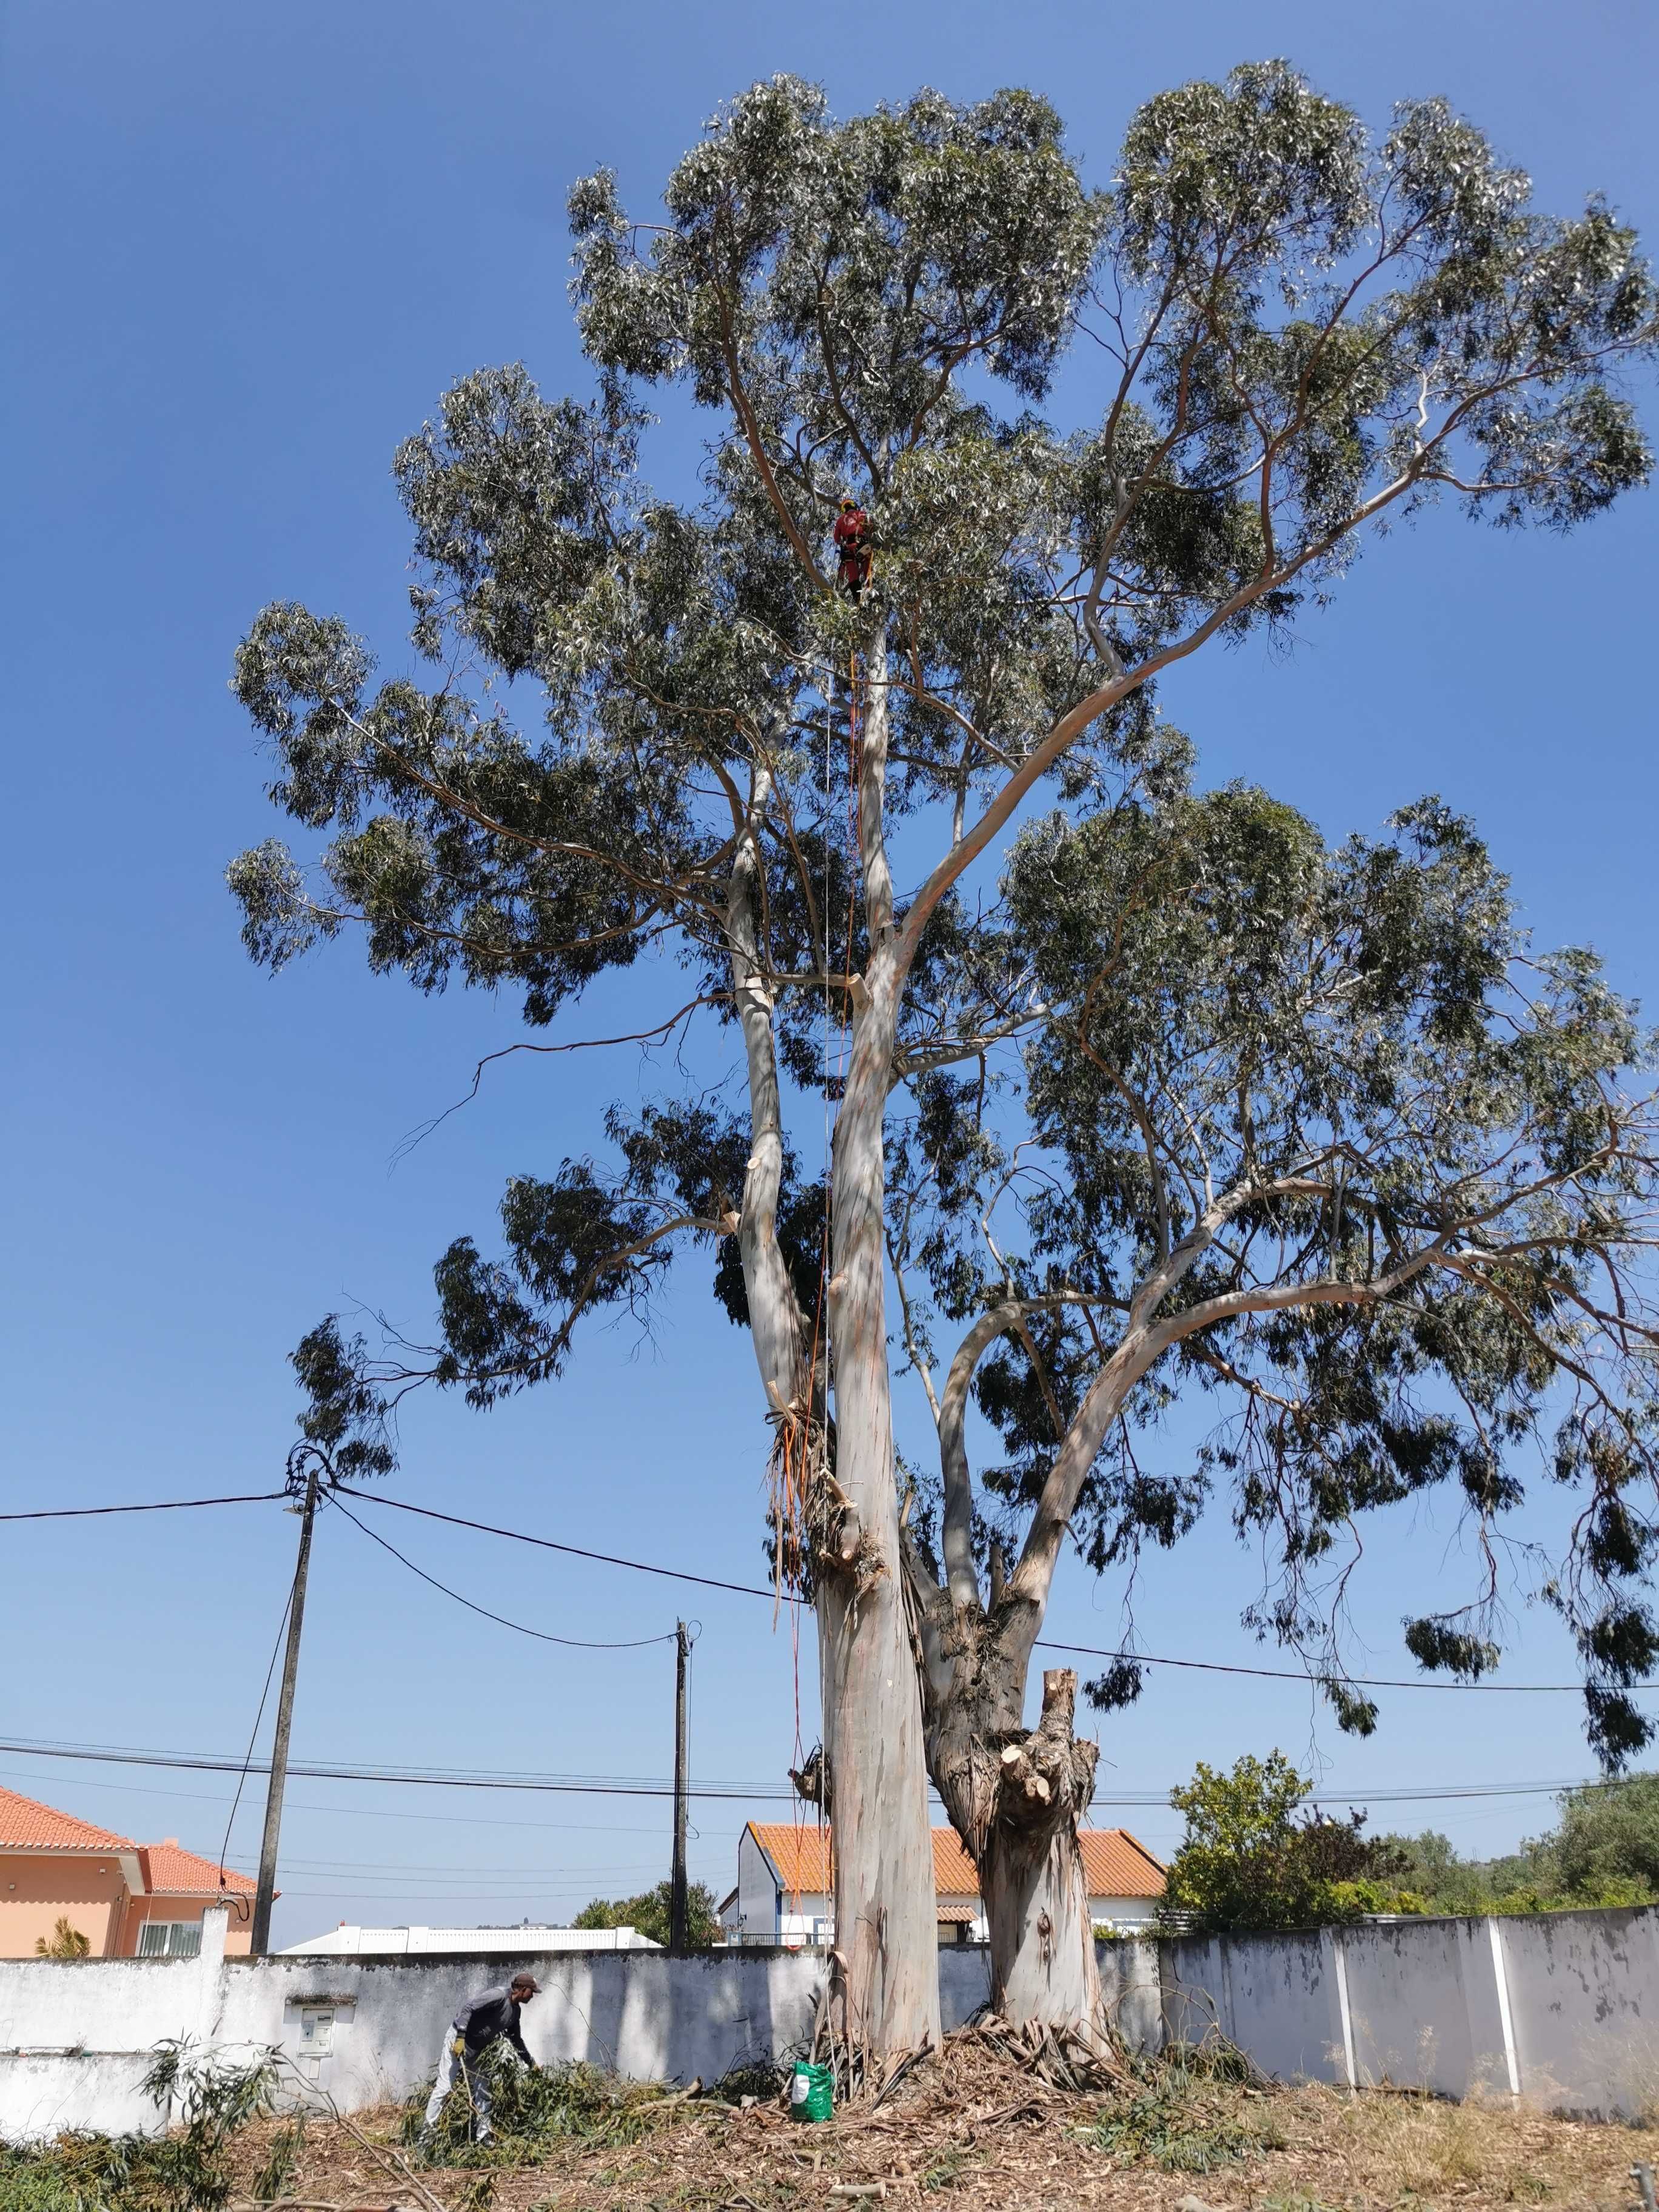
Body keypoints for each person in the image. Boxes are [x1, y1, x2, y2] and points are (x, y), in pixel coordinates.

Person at [421, 1971, 540, 2144]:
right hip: (457, 2042)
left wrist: (531, 2063)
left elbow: (516, 2040)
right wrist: (460, 2037)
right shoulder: (498, 1996)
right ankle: (425, 2138)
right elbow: (469, 2008)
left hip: (477, 2051)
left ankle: (483, 2136)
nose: (533, 1996)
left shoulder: (515, 2013)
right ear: (522, 1989)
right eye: (532, 1991)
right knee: (444, 2089)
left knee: (483, 2091)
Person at [833, 496, 871, 596]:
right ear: (854, 506)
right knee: (868, 568)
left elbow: (837, 539)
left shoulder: (841, 519)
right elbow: (871, 526)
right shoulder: (862, 514)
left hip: (849, 548)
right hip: (863, 544)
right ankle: (871, 593)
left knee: (853, 576)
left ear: (844, 509)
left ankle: (858, 600)